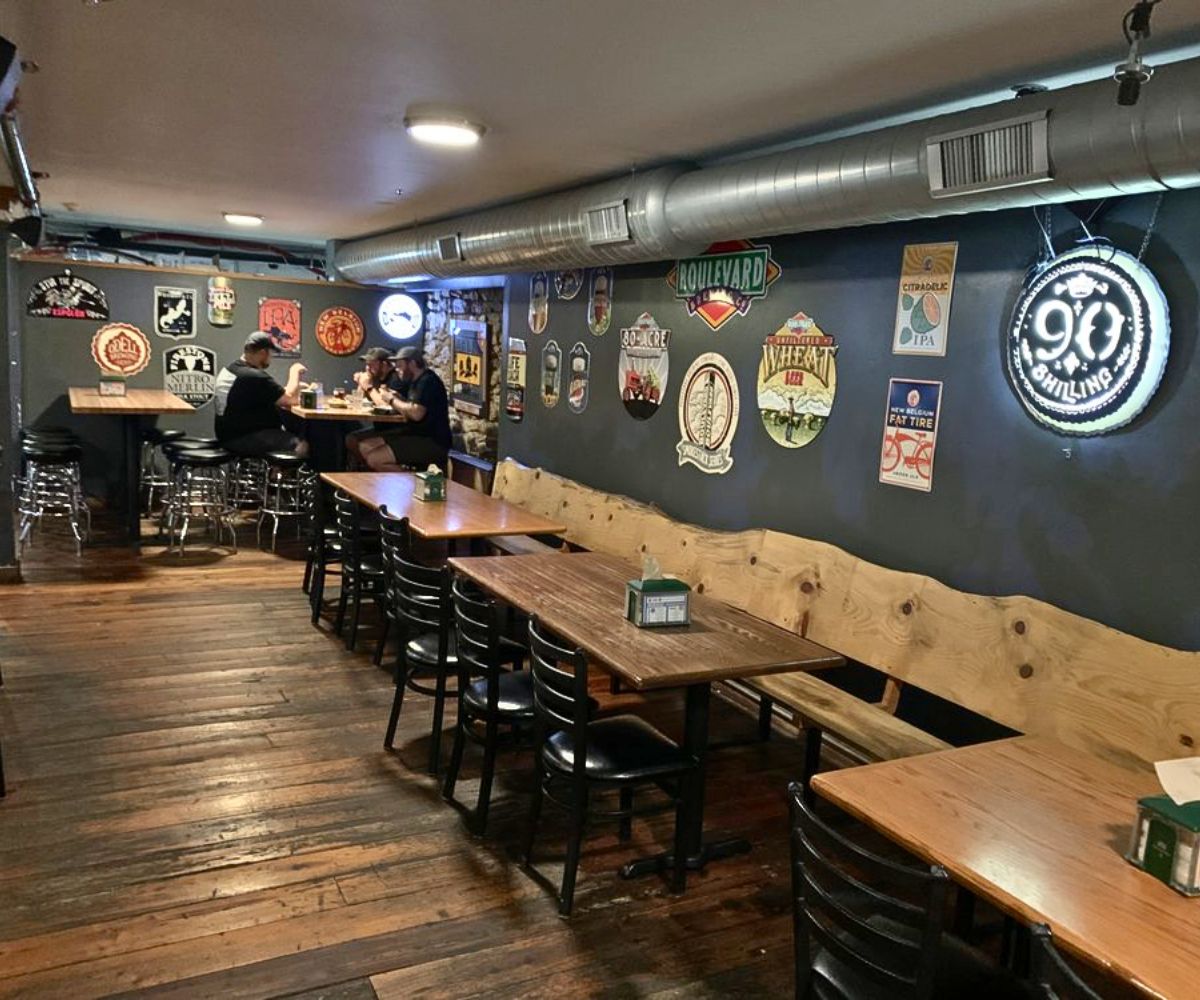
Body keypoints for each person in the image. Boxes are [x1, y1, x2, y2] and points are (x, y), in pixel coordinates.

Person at [355, 346, 451, 471]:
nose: (397, 369)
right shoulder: (415, 381)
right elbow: (412, 406)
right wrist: (399, 398)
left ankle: (411, 484)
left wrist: (391, 400)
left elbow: (417, 413)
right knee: (364, 446)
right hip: (414, 434)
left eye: (400, 365)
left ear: (412, 363)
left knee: (375, 459)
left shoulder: (428, 381)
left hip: (431, 441)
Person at [214, 331, 308, 458]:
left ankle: (275, 470)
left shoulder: (233, 368)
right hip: (243, 438)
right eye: (271, 354)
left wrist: (295, 388)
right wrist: (295, 371)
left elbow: (265, 394)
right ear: (263, 353)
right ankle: (279, 475)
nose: (271, 358)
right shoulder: (254, 376)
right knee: (301, 445)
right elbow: (290, 399)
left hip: (228, 435)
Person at [345, 347, 401, 466]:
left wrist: (369, 387)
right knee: (351, 439)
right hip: (382, 428)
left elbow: (387, 407)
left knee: (362, 445)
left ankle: (370, 470)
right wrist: (361, 384)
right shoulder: (376, 378)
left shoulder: (395, 379)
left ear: (385, 364)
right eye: (367, 365)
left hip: (396, 430)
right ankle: (366, 471)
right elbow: (358, 402)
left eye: (371, 365)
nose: (367, 368)